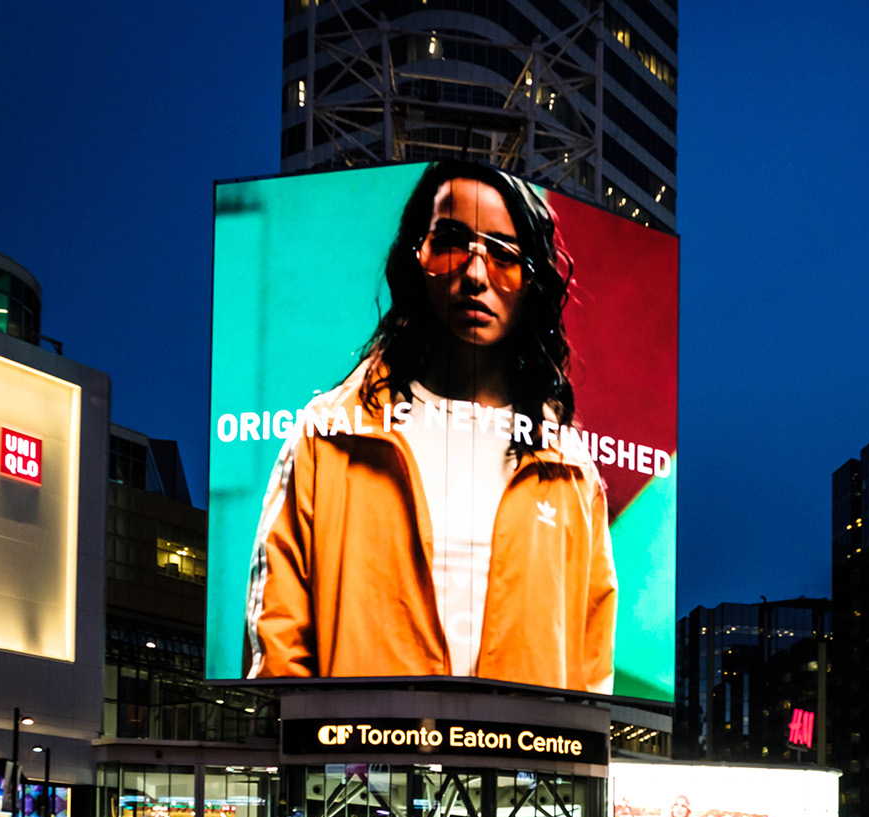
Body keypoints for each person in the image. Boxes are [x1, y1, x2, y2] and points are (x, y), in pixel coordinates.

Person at [245, 159, 617, 689]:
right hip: (359, 746)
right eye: (450, 243)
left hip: (523, 747)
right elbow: (277, 649)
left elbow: (591, 674)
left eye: (504, 255)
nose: (475, 274)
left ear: (531, 281)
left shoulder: (572, 472)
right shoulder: (327, 436)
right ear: (415, 257)